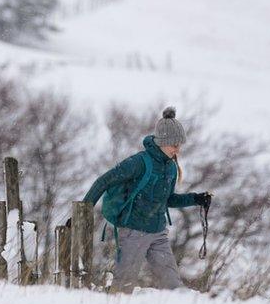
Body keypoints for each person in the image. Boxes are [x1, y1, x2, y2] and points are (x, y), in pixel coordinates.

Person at [82, 106, 212, 293]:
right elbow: (104, 181)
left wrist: (197, 199)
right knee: (122, 288)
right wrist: (84, 210)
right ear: (162, 141)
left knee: (174, 287)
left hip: (158, 233)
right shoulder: (139, 162)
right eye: (174, 144)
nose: (178, 149)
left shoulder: (171, 167)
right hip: (134, 231)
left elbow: (167, 200)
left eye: (179, 144)